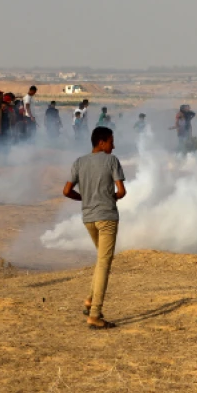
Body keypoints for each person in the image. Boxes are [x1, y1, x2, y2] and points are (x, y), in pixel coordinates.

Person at [62, 126, 126, 330]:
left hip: (88, 218)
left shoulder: (79, 162)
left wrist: (85, 198)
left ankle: (90, 300)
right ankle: (95, 314)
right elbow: (121, 191)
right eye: (111, 142)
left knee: (101, 259)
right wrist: (109, 198)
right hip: (107, 217)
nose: (113, 146)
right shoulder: (111, 161)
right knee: (104, 263)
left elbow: (66, 191)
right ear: (101, 142)